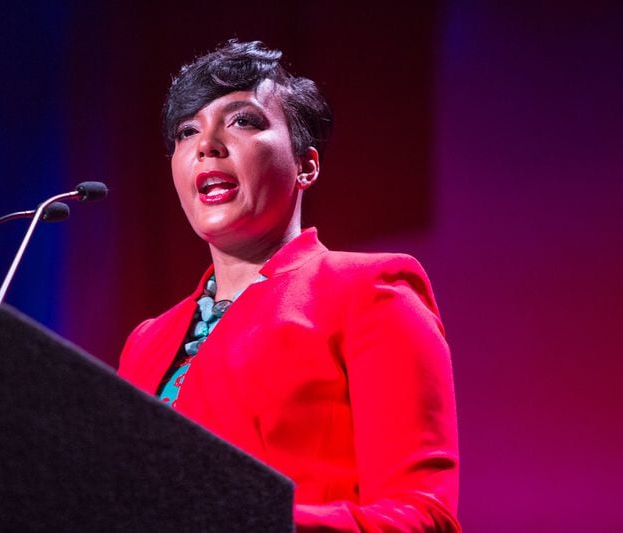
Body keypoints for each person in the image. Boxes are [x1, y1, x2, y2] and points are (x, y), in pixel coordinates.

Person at [118, 40, 460, 532]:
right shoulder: (146, 342)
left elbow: (422, 517)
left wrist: (245, 520)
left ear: (305, 166)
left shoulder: (370, 291)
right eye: (186, 132)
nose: (205, 144)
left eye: (243, 121)